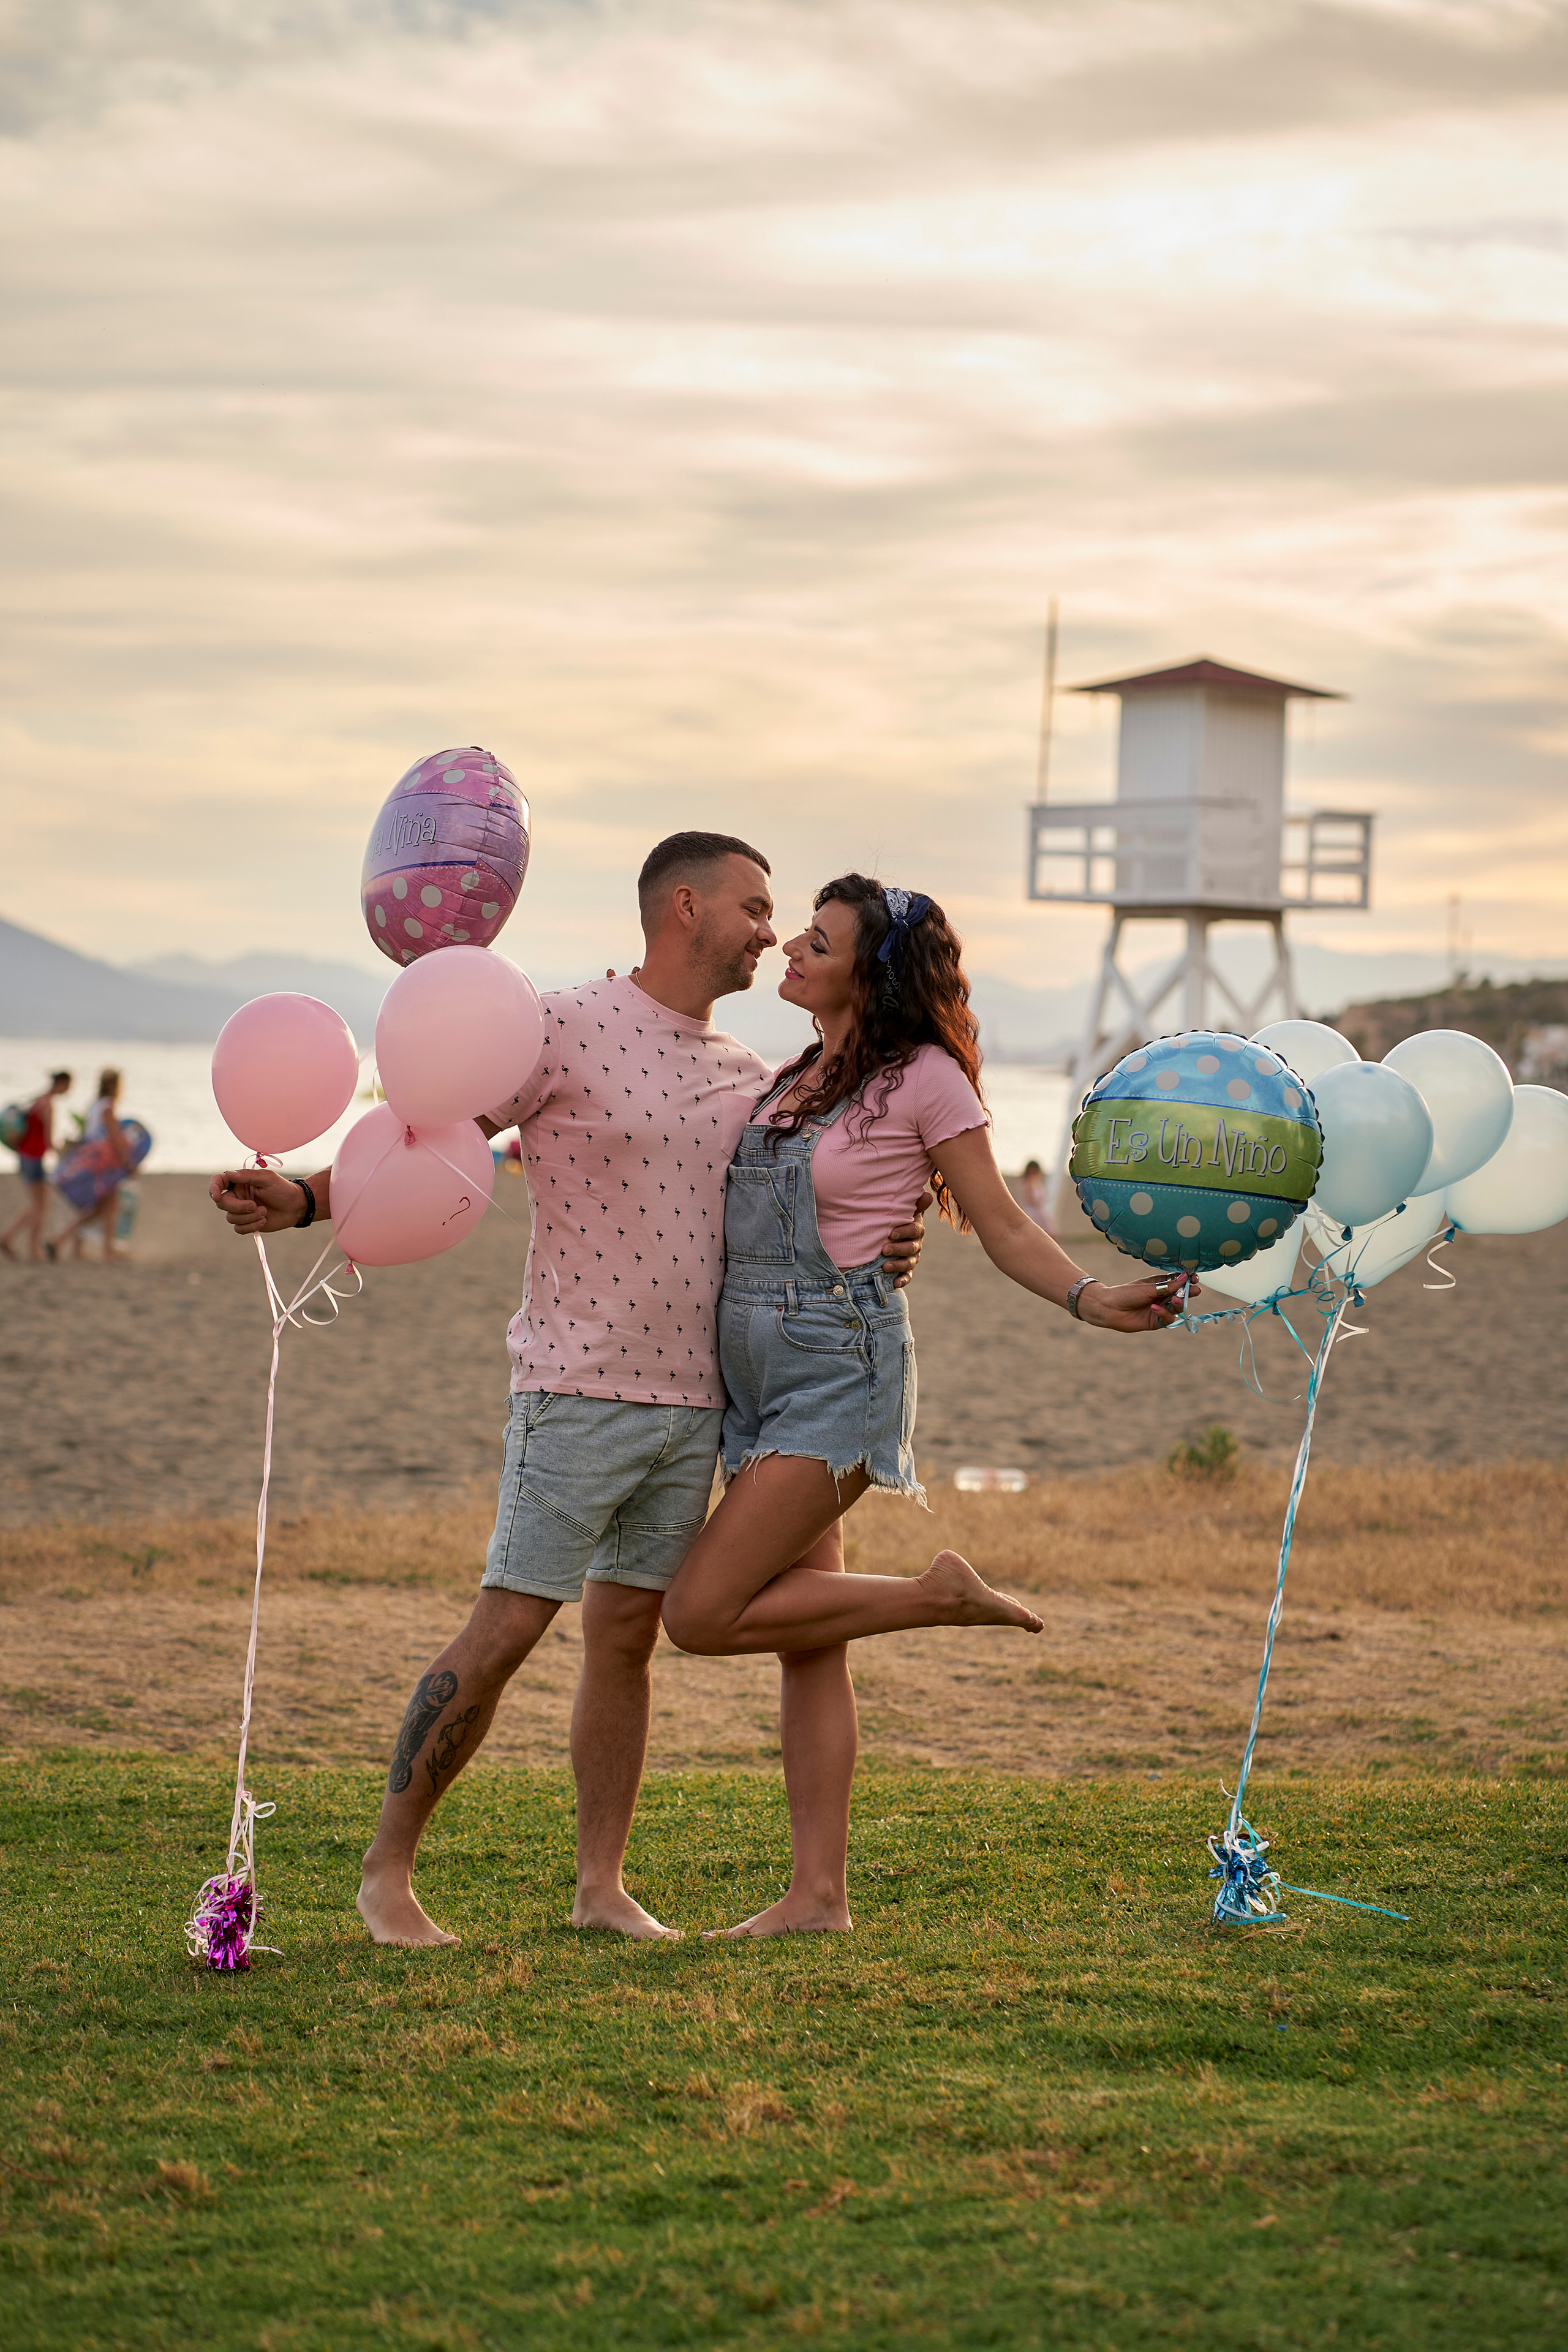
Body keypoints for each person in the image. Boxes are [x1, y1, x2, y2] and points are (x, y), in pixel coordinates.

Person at [209, 832, 928, 1948]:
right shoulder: (557, 1026)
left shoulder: (748, 1074)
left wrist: (892, 1241)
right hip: (576, 1387)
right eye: (754, 906)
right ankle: (386, 1870)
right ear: (684, 908)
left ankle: (601, 1887)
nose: (767, 931)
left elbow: (813, 1200)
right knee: (505, 1628)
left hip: (699, 1408)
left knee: (625, 1640)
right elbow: (442, 1131)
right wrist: (306, 1200)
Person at [658, 876, 1197, 1939]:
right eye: (799, 937)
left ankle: (939, 1596)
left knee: (700, 1615)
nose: (793, 952)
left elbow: (996, 1221)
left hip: (837, 1376)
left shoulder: (926, 1079)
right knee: (811, 1642)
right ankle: (819, 1896)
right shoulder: (796, 1074)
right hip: (753, 1387)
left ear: (874, 972)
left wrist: (1090, 1297)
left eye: (818, 943)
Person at [47, 1069, 136, 1262]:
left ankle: (61, 1241)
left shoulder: (94, 1105)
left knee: (96, 1209)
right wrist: (128, 1163)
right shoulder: (108, 1107)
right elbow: (114, 1139)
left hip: (89, 1161)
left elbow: (87, 1134)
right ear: (116, 1086)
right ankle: (107, 1252)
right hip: (104, 1164)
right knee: (111, 1206)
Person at [1, 1071, 71, 1262]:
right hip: (33, 1158)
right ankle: (30, 1248)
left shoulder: (38, 1099)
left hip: (26, 1156)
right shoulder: (48, 1105)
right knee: (40, 1206)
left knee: (38, 1205)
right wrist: (66, 1153)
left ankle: (9, 1238)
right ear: (62, 1084)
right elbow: (48, 1142)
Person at [1018, 1157, 1055, 1234]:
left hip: (1040, 1210)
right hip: (1033, 1211)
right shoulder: (1028, 1183)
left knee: (1048, 1232)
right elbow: (1031, 1198)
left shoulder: (1038, 1181)